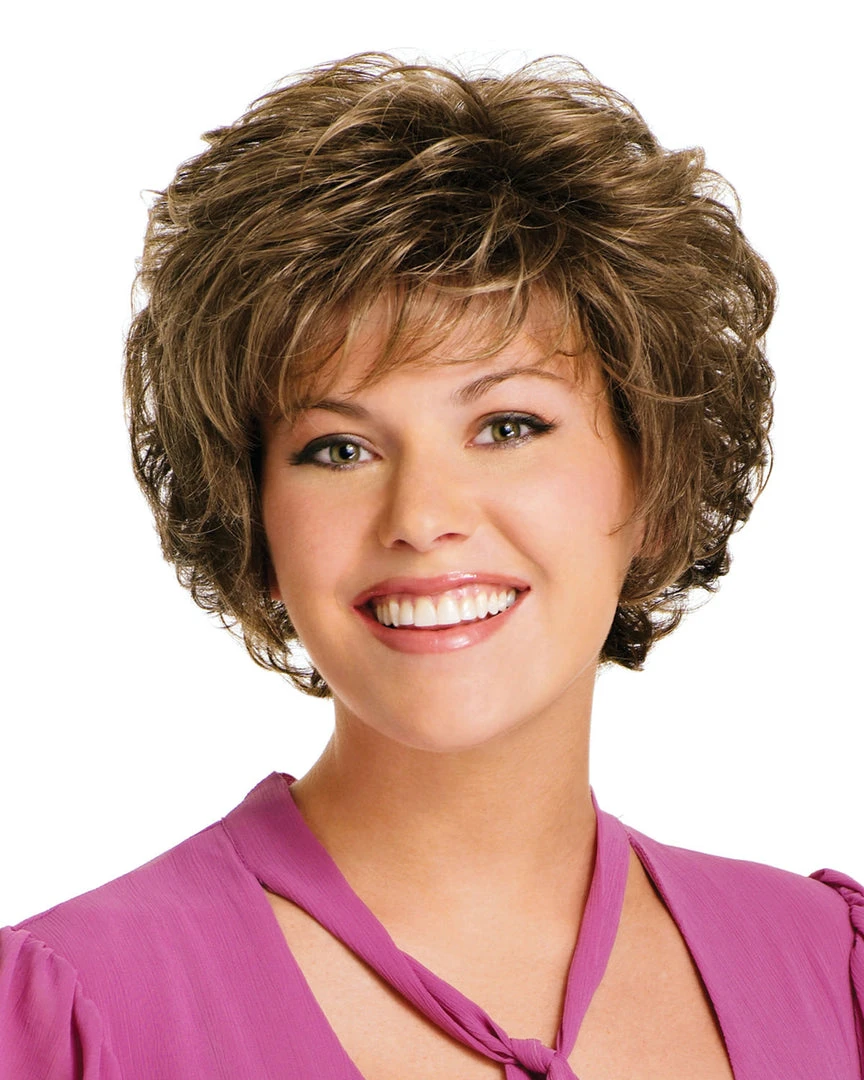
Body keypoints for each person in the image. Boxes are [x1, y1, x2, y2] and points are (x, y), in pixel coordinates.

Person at [1, 53, 861, 1080]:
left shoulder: (833, 972)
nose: (421, 518)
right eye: (339, 449)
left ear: (655, 487)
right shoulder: (78, 1015)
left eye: (508, 426)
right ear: (253, 523)